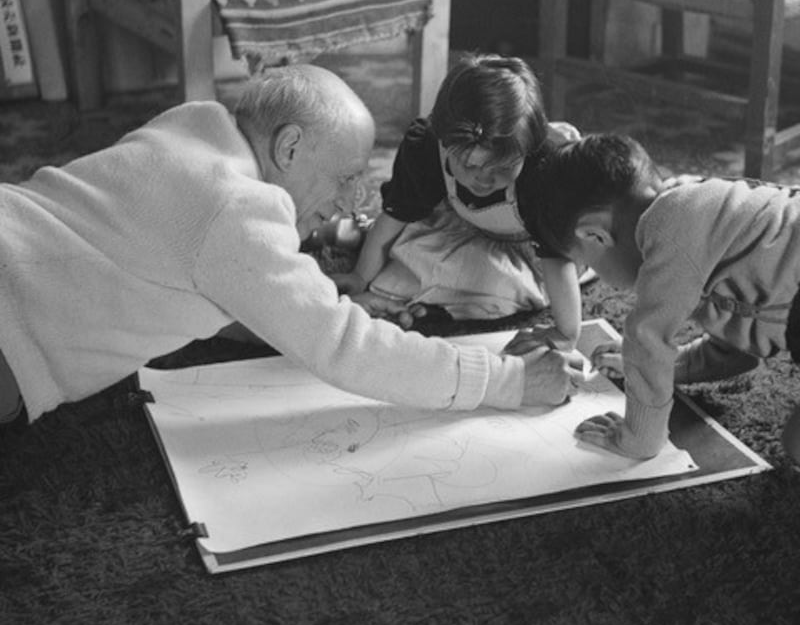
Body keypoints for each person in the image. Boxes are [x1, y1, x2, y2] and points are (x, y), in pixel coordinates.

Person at [0, 64, 586, 427]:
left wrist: (302, 301)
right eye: (344, 177)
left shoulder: (190, 124)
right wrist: (509, 380)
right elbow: (344, 349)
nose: (351, 201)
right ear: (288, 148)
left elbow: (194, 282)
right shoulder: (237, 211)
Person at [516, 131, 800, 463]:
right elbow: (738, 349)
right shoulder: (699, 226)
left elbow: (647, 339)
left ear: (595, 235)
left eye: (586, 263)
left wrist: (638, 438)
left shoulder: (669, 225)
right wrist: (677, 364)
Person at [333, 53, 583, 351]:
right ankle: (359, 229)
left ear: (528, 151)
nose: (484, 180)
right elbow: (397, 214)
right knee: (399, 266)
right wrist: (360, 276)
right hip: (459, 221)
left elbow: (555, 258)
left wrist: (567, 333)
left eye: (502, 168)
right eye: (469, 165)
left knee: (501, 289)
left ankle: (359, 234)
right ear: (444, 141)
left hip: (529, 244)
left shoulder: (545, 172)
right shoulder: (427, 146)